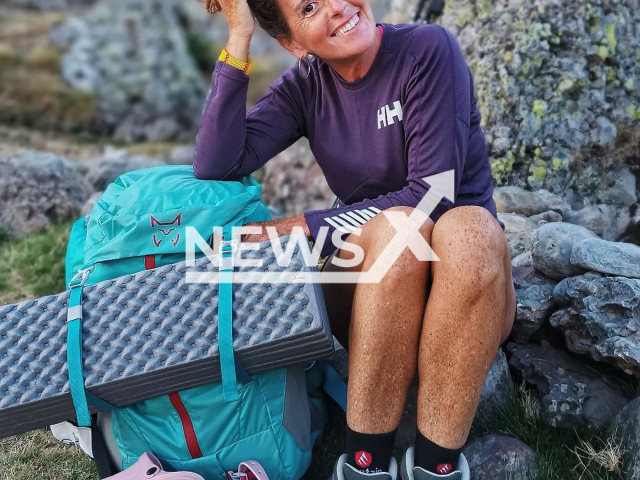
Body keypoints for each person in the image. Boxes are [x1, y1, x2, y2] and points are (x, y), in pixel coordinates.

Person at [192, 0, 516, 478]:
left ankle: (437, 466)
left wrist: (297, 227)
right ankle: (365, 464)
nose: (338, 7)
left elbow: (434, 196)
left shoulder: (427, 50)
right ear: (292, 44)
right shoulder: (306, 86)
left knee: (468, 228)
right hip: (374, 292)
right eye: (309, 7)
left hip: (467, 287)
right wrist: (239, 37)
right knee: (392, 234)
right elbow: (216, 164)